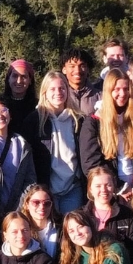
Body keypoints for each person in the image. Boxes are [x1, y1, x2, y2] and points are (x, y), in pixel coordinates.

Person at [79, 68, 133, 196]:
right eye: (117, 89)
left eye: (126, 89)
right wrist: (119, 187)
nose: (122, 93)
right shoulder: (93, 122)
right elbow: (91, 164)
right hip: (110, 190)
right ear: (108, 91)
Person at [35, 71, 87, 215]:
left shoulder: (79, 120)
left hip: (73, 188)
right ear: (44, 92)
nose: (58, 92)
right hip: (46, 189)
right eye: (52, 89)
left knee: (72, 229)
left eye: (62, 88)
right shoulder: (35, 121)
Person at [83, 166, 133, 252]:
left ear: (114, 187)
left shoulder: (128, 215)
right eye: (98, 186)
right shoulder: (81, 216)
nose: (104, 190)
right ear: (90, 189)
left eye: (108, 185)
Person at [0, 58, 41, 144]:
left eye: (24, 76)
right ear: (8, 79)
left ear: (30, 80)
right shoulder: (0, 104)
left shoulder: (39, 106)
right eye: (15, 76)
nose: (19, 81)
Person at [18, 183, 62, 257]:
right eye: (36, 202)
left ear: (52, 205)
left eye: (47, 203)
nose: (42, 207)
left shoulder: (62, 226)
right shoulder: (20, 230)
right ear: (27, 205)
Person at [60, 48, 99, 114]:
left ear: (88, 69)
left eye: (82, 66)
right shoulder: (59, 96)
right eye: (72, 66)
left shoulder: (101, 97)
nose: (77, 71)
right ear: (64, 69)